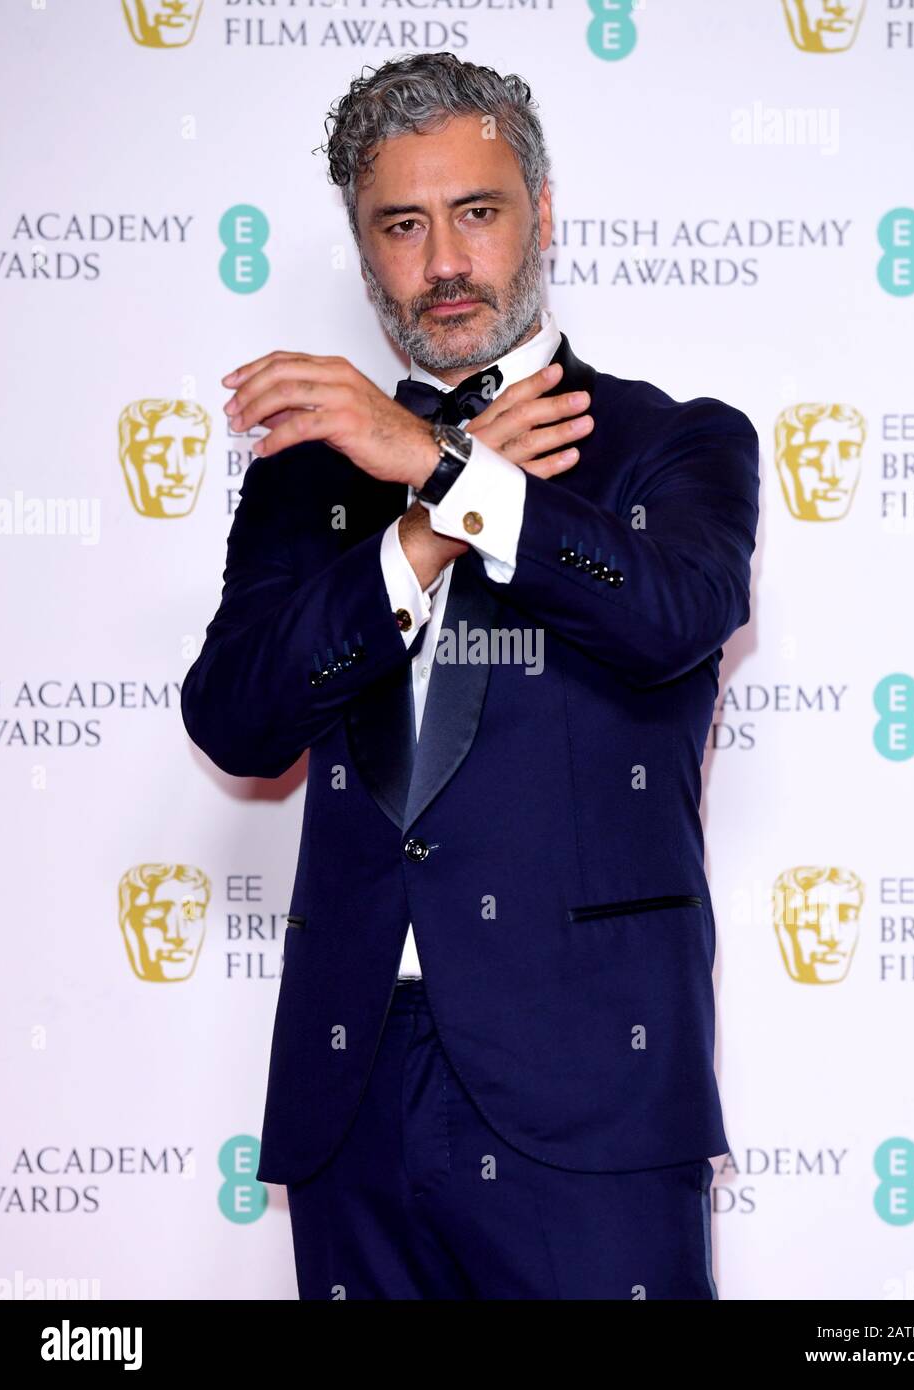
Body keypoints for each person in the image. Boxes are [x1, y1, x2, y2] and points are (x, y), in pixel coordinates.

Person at [180, 51, 760, 1300]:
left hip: (593, 1082)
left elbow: (671, 615)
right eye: (403, 224)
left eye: (477, 213)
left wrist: (444, 469)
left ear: (542, 215)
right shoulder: (304, 478)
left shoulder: (675, 442)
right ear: (365, 248)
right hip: (355, 1088)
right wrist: (417, 532)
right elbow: (236, 720)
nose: (444, 260)